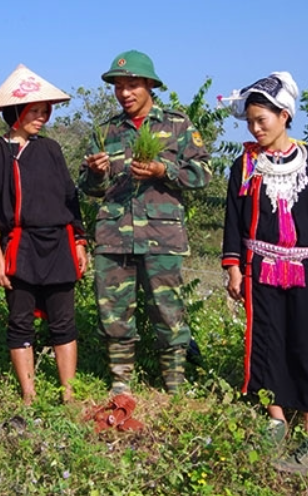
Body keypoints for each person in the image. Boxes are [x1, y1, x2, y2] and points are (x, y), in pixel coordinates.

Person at [220, 72, 308, 473]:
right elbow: (234, 221)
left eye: (263, 120)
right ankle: (275, 419)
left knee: (306, 344)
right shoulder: (246, 164)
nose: (256, 128)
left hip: (306, 269)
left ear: (285, 115)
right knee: (268, 342)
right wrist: (234, 267)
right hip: (261, 270)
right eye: (251, 121)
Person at [78, 50, 211, 395]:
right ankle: (121, 385)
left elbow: (202, 172)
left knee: (169, 312)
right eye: (118, 86)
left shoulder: (177, 124)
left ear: (150, 84)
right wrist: (95, 173)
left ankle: (175, 386)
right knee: (114, 315)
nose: (124, 93)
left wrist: (162, 170)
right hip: (113, 237)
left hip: (161, 236)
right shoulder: (105, 131)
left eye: (132, 84)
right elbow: (90, 188)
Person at [0, 64, 88, 405]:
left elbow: (71, 197)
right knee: (20, 321)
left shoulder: (51, 150)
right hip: (19, 247)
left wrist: (80, 241)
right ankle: (29, 394)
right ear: (16, 112)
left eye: (45, 111)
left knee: (64, 320)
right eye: (34, 111)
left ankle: (68, 394)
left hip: (59, 245)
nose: (42, 117)